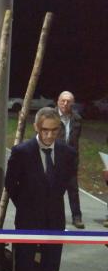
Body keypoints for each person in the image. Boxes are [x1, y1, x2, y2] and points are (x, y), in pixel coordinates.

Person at [5, 107, 76, 271]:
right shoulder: (22, 152)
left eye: (54, 130)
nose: (50, 135)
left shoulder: (68, 153)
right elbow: (11, 184)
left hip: (55, 220)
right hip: (27, 219)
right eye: (45, 130)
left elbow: (65, 182)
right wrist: (26, 205)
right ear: (37, 127)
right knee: (23, 270)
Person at [56, 91, 84, 229]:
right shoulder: (52, 116)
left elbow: (76, 140)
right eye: (63, 101)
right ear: (58, 101)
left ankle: (77, 217)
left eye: (68, 101)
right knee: (55, 190)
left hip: (71, 160)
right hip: (55, 159)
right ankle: (55, 217)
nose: (65, 104)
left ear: (72, 103)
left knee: (73, 189)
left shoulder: (77, 119)